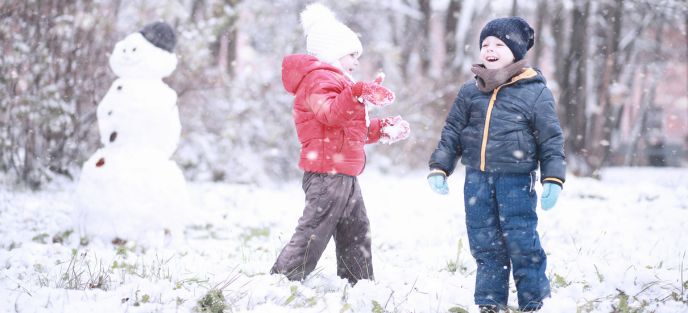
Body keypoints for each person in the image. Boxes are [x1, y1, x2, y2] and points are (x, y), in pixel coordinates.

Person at [427, 17, 566, 312]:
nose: (490, 49)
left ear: (515, 50)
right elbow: (452, 132)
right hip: (477, 179)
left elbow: (551, 139)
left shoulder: (534, 91)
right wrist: (440, 166)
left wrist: (552, 178)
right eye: (485, 44)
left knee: (521, 240)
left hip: (516, 180)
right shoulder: (470, 91)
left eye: (499, 44)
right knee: (485, 242)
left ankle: (534, 300)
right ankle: (490, 301)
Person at [271, 3, 410, 285]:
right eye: (352, 55)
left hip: (343, 173)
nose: (356, 62)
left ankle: (358, 283)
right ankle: (282, 281)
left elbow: (349, 130)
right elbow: (330, 115)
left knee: (356, 229)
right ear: (332, 52)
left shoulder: (338, 83)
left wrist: (383, 128)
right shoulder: (316, 80)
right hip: (325, 174)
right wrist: (358, 92)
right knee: (315, 229)